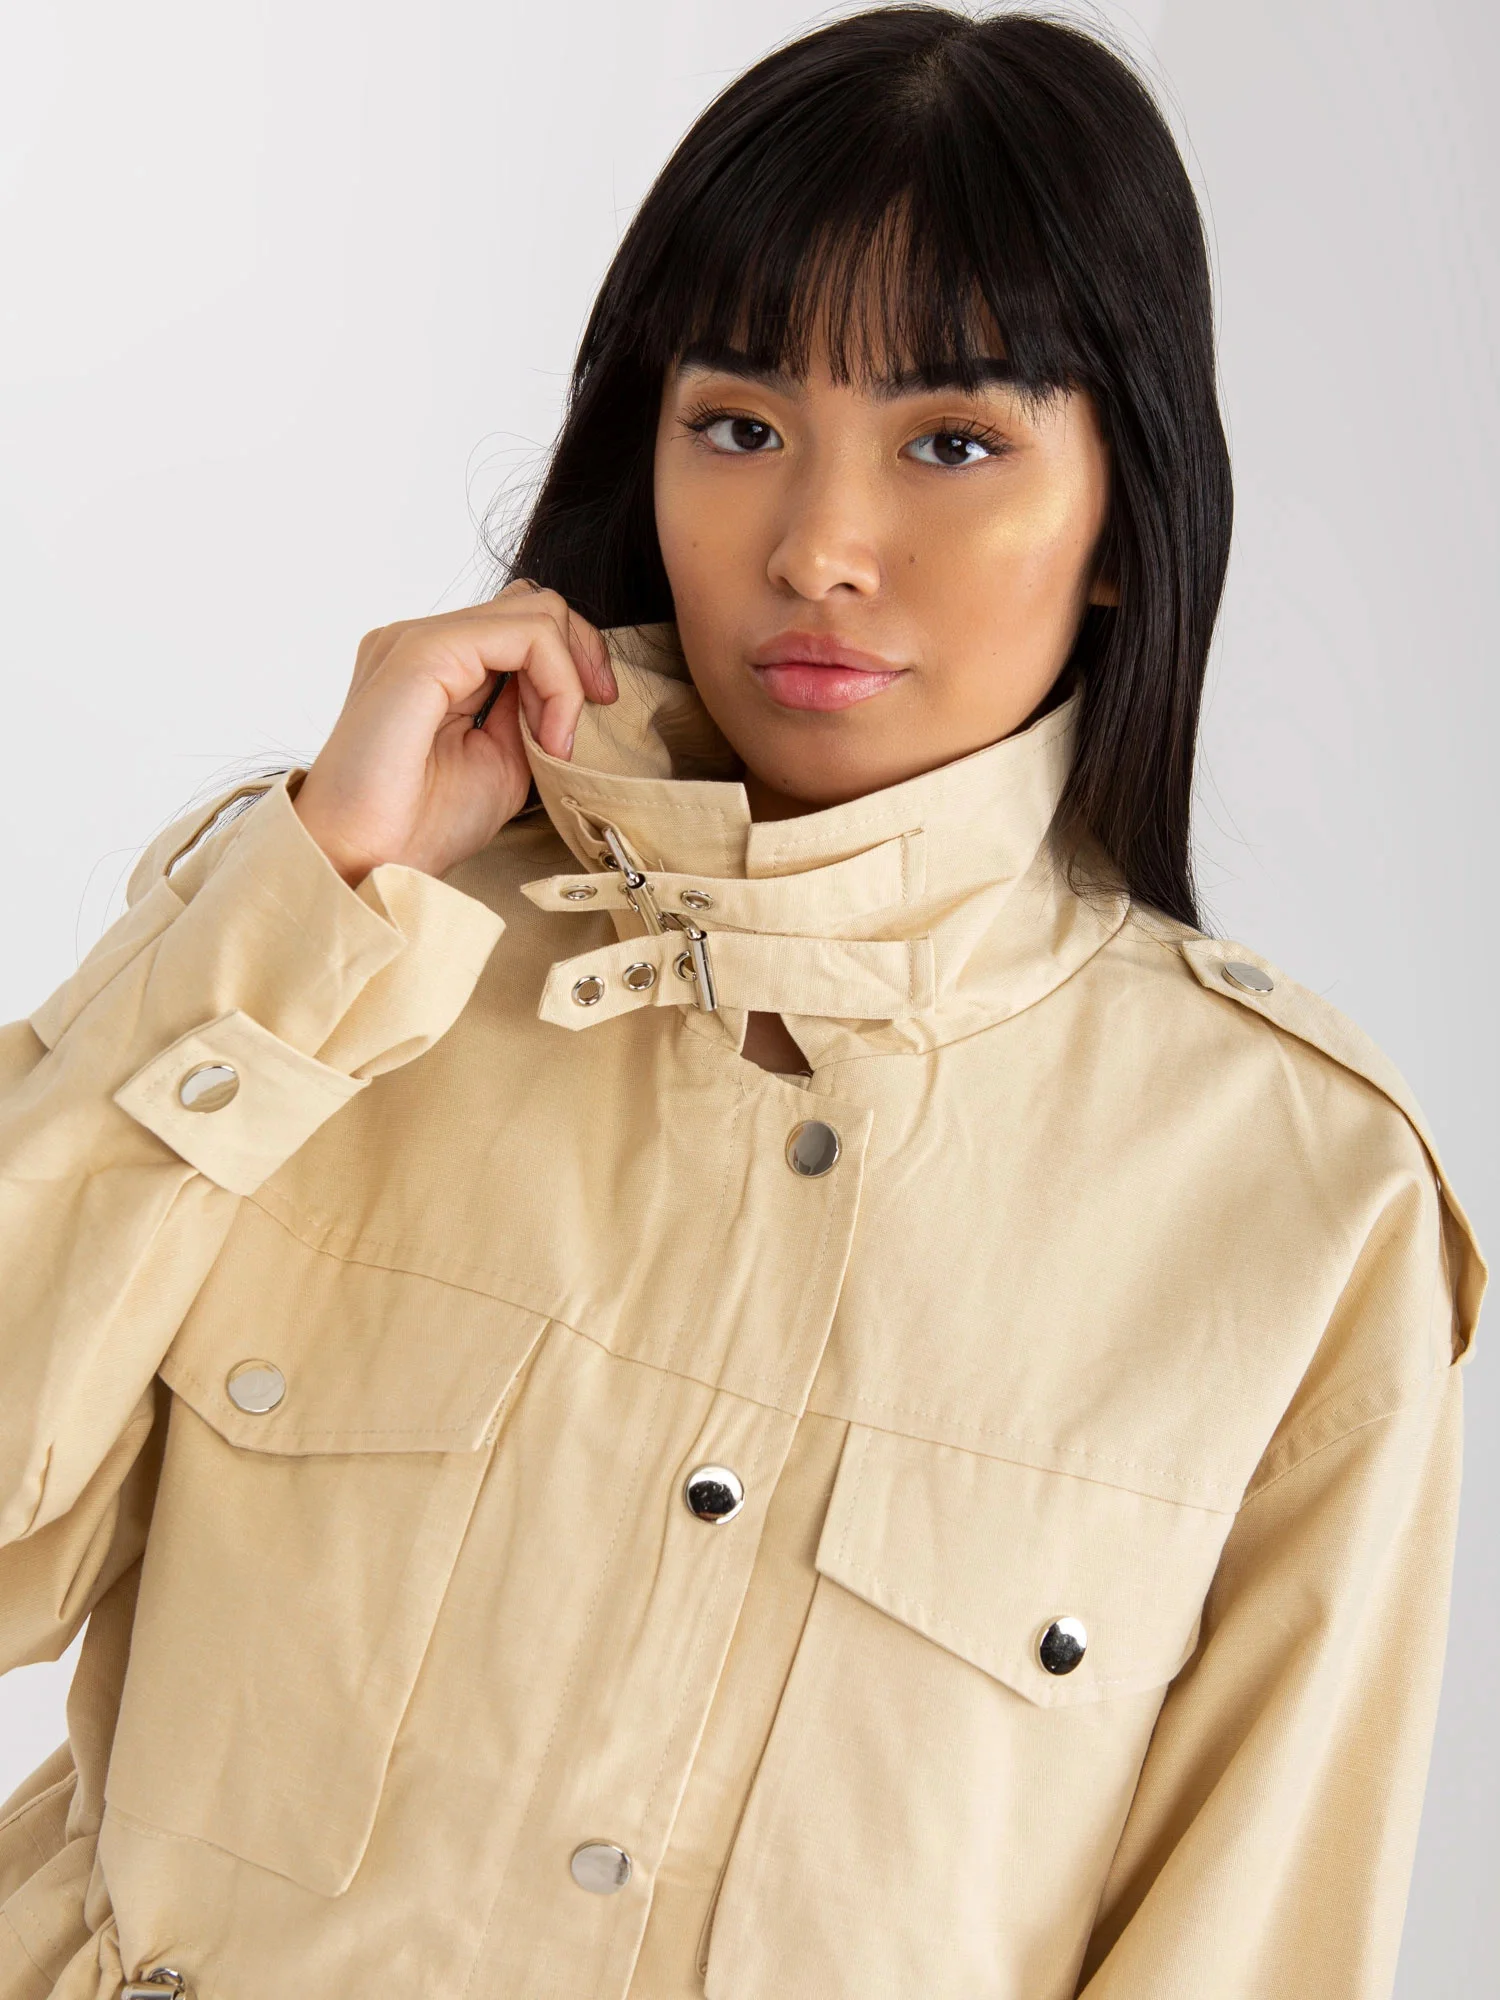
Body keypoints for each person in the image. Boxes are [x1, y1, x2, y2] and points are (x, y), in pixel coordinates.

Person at [0, 6, 1483, 1996]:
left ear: (1126, 522)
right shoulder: (338, 952)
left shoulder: (1301, 1207)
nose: (820, 548)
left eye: (953, 441)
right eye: (739, 425)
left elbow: (1251, 1944)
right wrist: (310, 911)